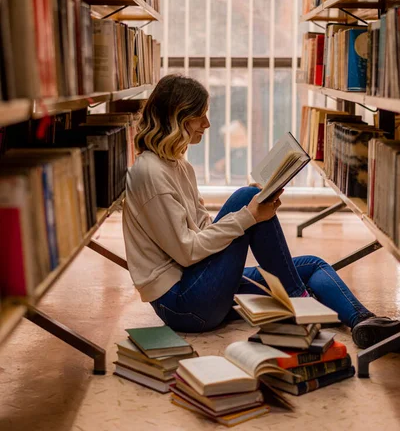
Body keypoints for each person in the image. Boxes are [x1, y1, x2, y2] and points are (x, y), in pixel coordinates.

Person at [123, 74, 400, 349]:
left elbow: (203, 231)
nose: (207, 124)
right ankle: (300, 303)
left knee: (313, 264)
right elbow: (186, 251)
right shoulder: (150, 174)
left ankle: (364, 322)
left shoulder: (179, 166)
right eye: (200, 116)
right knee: (248, 198)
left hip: (196, 282)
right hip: (183, 304)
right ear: (177, 118)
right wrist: (249, 214)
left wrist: (252, 211)